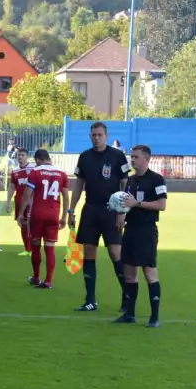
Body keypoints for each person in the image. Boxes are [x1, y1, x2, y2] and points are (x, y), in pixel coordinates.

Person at [66, 122, 130, 313]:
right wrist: (71, 209)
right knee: (89, 253)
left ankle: (127, 299)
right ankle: (90, 300)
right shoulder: (84, 157)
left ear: (106, 135)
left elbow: (125, 183)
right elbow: (79, 184)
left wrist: (122, 211)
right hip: (91, 210)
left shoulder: (117, 156)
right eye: (93, 135)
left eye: (99, 135)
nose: (96, 138)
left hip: (112, 211)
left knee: (116, 253)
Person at [113, 144, 166, 327]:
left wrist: (138, 203)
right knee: (129, 275)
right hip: (131, 230)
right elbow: (126, 202)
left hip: (146, 231)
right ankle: (130, 314)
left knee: (149, 273)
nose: (132, 159)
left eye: (135, 157)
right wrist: (120, 213)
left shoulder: (157, 179)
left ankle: (154, 317)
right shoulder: (131, 180)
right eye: (132, 157)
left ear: (146, 159)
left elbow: (161, 205)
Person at [16, 149, 69, 289]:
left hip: (37, 214)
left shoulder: (35, 172)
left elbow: (27, 195)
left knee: (35, 246)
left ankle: (36, 277)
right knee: (50, 248)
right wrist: (64, 216)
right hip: (53, 215)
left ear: (38, 160)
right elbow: (66, 197)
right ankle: (48, 281)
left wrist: (21, 214)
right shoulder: (61, 174)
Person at [6, 148, 34, 256]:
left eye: (22, 155)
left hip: (31, 201)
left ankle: (33, 248)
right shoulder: (15, 170)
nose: (20, 157)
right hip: (19, 201)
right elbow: (12, 186)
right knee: (22, 224)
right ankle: (27, 249)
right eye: (18, 155)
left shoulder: (33, 168)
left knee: (31, 224)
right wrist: (8, 202)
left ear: (27, 157)